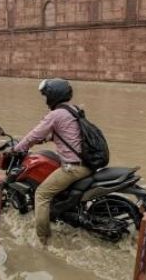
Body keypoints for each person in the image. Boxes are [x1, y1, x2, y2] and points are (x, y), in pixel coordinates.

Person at [12, 78, 92, 246]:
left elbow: (34, 134)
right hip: (88, 164)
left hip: (73, 168)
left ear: (53, 96)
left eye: (46, 95)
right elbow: (68, 133)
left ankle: (43, 239)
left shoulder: (55, 115)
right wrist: (46, 138)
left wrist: (17, 148)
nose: (46, 99)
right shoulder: (74, 110)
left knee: (41, 194)